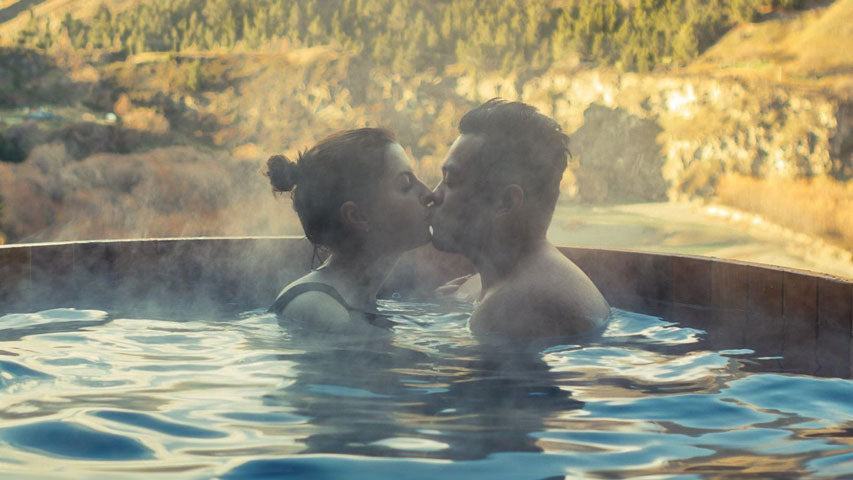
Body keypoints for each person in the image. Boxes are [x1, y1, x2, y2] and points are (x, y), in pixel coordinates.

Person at [427, 99, 610, 337]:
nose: (433, 194)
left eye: (450, 182)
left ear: (506, 202)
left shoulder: (516, 306)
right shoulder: (489, 285)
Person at [267, 128, 432, 333]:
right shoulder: (318, 308)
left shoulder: (356, 299)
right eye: (406, 183)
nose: (429, 193)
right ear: (357, 217)